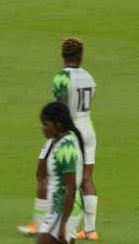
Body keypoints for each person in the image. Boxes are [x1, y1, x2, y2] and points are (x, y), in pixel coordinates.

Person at [51, 38, 100, 241]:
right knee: (87, 180)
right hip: (88, 127)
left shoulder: (62, 77)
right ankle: (91, 230)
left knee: (70, 181)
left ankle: (65, 227)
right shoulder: (89, 77)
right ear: (81, 56)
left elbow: (61, 109)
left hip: (73, 131)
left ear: (62, 55)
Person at [36, 102, 85, 244]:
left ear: (58, 124)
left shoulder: (66, 148)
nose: (42, 129)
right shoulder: (56, 142)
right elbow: (40, 174)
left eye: (46, 124)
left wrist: (63, 223)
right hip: (58, 208)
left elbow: (71, 187)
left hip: (64, 209)